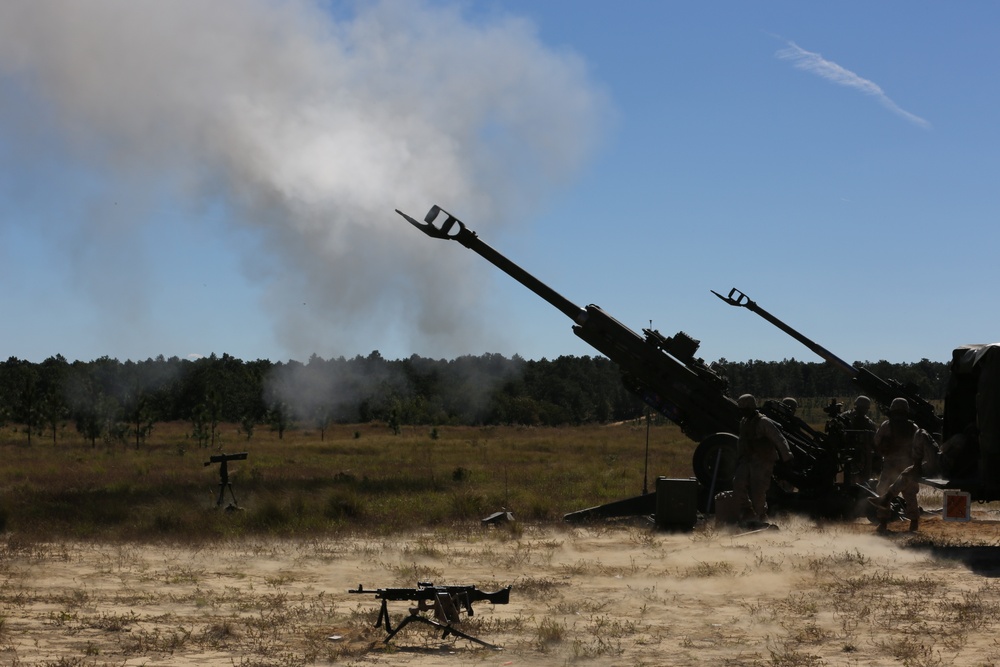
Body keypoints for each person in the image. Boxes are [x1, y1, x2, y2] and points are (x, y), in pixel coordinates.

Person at [868, 397, 936, 533]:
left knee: (883, 490)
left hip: (890, 464)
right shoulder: (913, 427)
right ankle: (913, 523)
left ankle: (883, 523)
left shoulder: (887, 425)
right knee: (909, 493)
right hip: (906, 464)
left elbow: (876, 441)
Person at [732, 394, 794, 529]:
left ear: (751, 407)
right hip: (747, 460)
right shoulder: (744, 421)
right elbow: (741, 441)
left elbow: (779, 439)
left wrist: (787, 456)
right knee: (738, 483)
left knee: (758, 491)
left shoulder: (763, 422)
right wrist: (739, 457)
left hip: (762, 461)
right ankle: (748, 512)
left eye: (744, 408)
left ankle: (761, 518)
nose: (742, 411)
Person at [842, 395, 877, 483]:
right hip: (849, 452)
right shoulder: (845, 418)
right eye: (862, 408)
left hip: (862, 454)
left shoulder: (868, 423)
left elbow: (874, 440)